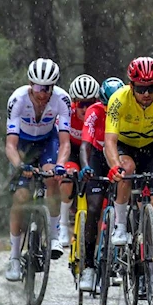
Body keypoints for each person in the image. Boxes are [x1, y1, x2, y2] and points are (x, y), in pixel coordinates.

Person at [104, 57, 153, 298]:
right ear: (131, 85)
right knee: (125, 169)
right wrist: (115, 166)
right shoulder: (118, 100)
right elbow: (109, 141)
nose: (146, 94)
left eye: (151, 88)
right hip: (125, 146)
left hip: (150, 147)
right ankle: (119, 226)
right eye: (140, 88)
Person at [4, 58, 71, 282]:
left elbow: (65, 142)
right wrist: (20, 166)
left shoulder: (62, 99)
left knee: (52, 178)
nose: (43, 93)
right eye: (39, 87)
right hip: (23, 144)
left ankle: (52, 235)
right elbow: (10, 146)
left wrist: (61, 165)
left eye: (48, 88)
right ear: (31, 84)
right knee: (21, 198)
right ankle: (14, 257)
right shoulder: (17, 99)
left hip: (47, 142)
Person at [78, 77, 124, 292]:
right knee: (95, 207)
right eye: (106, 105)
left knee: (127, 202)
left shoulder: (128, 108)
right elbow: (85, 144)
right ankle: (88, 266)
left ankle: (121, 261)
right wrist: (86, 166)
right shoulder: (95, 111)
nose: (109, 110)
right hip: (97, 157)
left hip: (120, 154)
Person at [57, 74, 100, 248]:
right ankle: (63, 225)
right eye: (81, 104)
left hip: (92, 153)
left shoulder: (98, 115)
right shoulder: (67, 114)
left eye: (90, 103)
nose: (85, 109)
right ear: (74, 103)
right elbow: (61, 142)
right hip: (73, 151)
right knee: (68, 177)